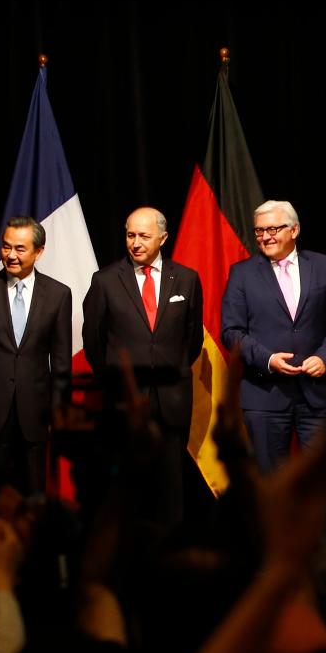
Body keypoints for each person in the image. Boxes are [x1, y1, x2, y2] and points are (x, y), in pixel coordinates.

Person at [82, 207, 204, 522]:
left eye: (144, 236)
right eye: (130, 235)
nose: (135, 243)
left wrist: (168, 371)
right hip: (125, 401)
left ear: (162, 238)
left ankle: (172, 549)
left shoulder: (187, 280)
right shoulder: (105, 281)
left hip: (173, 400)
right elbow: (94, 343)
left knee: (172, 486)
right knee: (128, 488)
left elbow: (191, 342)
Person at [221, 200, 326, 473]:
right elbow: (231, 332)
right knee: (271, 484)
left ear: (294, 230)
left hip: (316, 396)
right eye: (259, 231)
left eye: (273, 229)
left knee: (320, 482)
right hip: (264, 396)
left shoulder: (323, 266)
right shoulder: (242, 274)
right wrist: (268, 359)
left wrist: (323, 357)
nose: (265, 237)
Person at [0, 216, 72, 495]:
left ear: (39, 252)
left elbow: (62, 361)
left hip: (37, 412)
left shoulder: (58, 295)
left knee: (34, 496)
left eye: (20, 248)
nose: (11, 255)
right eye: (6, 247)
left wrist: (60, 411)